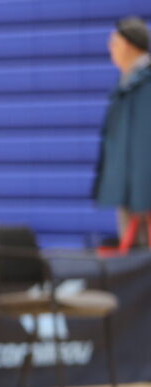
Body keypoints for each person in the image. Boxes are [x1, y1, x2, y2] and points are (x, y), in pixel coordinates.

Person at [94, 16, 151, 248]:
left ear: (128, 44)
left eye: (114, 43)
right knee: (132, 263)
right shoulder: (125, 85)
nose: (111, 49)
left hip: (145, 187)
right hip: (128, 187)